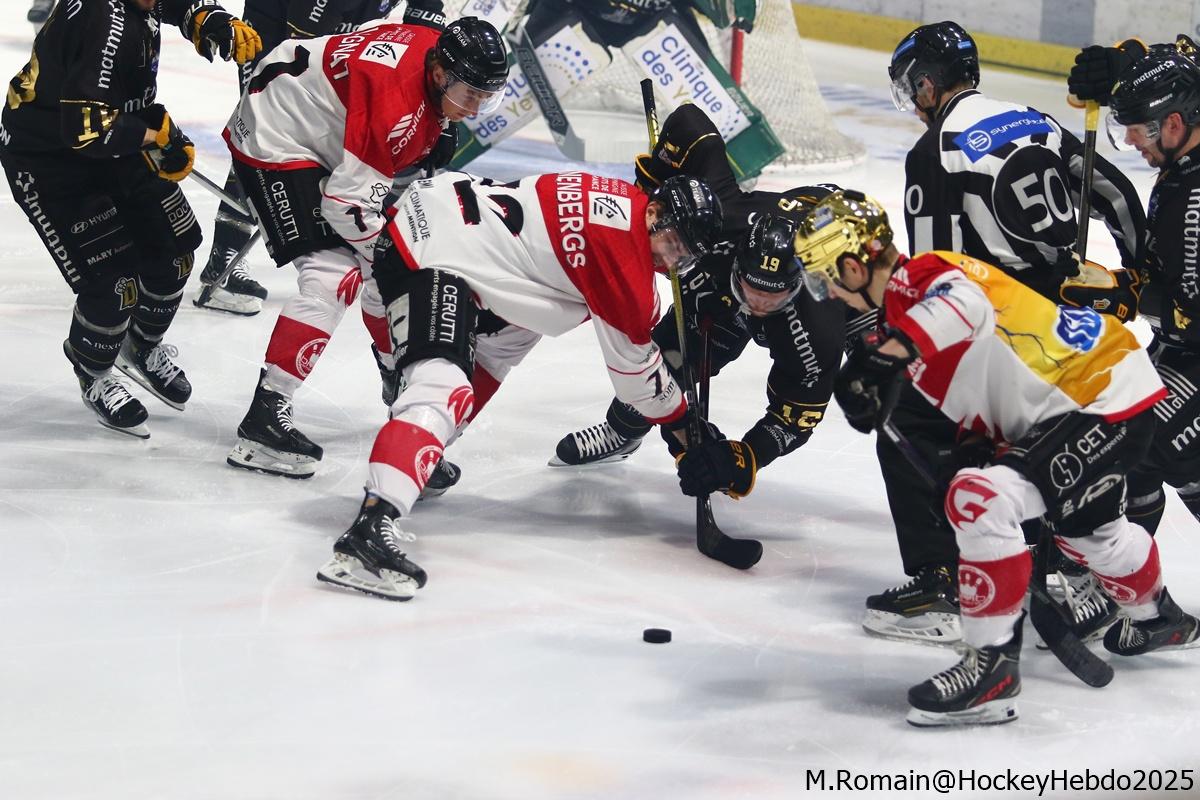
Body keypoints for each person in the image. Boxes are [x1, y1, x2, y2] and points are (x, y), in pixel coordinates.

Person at [795, 188, 1197, 726]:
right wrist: (967, 453)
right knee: (1092, 535)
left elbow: (965, 306)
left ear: (851, 267)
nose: (827, 293)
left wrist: (883, 359)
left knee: (981, 502)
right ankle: (1158, 618)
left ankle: (993, 674)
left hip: (1096, 396)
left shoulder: (921, 280)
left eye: (823, 279)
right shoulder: (910, 310)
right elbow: (991, 382)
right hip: (1100, 396)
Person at [315, 172, 724, 601]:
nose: (673, 261)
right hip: (435, 256)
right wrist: (685, 425)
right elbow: (636, 378)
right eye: (675, 244)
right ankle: (368, 533)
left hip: (455, 233)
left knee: (508, 343)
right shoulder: (625, 262)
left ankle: (418, 446)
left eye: (685, 256)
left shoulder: (625, 199)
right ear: (655, 213)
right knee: (442, 391)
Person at [867, 20, 1147, 644]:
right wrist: (1140, 273)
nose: (913, 101)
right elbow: (1115, 192)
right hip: (1067, 324)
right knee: (1051, 439)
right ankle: (1073, 572)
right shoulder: (1032, 119)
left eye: (912, 88)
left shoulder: (936, 150)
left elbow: (937, 272)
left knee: (904, 419)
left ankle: (944, 584)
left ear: (927, 84)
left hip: (1003, 327)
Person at [222, 16, 507, 479]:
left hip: (317, 125)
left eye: (485, 97)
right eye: (470, 94)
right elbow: (344, 207)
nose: (474, 109)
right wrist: (392, 256)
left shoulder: (435, 53)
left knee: (384, 270)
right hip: (275, 131)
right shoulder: (397, 107)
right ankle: (263, 419)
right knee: (335, 275)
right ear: (440, 74)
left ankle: (399, 390)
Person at [549, 105, 866, 488]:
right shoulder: (723, 221)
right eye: (749, 291)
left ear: (797, 285)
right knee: (663, 364)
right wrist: (660, 171)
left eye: (771, 298)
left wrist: (742, 458)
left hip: (854, 253)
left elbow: (793, 419)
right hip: (763, 246)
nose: (757, 307)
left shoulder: (818, 318)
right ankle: (622, 432)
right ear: (736, 263)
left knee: (872, 367)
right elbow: (690, 123)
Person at [0, 0, 261, 438]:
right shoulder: (102, 21)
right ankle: (93, 370)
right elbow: (85, 129)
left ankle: (141, 345)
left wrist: (202, 16)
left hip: (111, 136)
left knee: (176, 250)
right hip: (49, 161)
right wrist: (155, 135)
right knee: (114, 284)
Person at [195, 0, 449, 316]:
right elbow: (305, 48)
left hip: (334, 34)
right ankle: (224, 258)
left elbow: (429, 29)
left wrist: (440, 110)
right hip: (277, 34)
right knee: (270, 138)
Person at [1070, 45, 1200, 547]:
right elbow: (1185, 62)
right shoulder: (1185, 158)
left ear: (1174, 124)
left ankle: (1120, 579)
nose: (1129, 140)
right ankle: (1121, 578)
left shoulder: (1194, 202)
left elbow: (1191, 317)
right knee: (1124, 440)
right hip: (1181, 351)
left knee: (1139, 442)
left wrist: (1123, 295)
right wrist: (1129, 65)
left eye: (1139, 130)